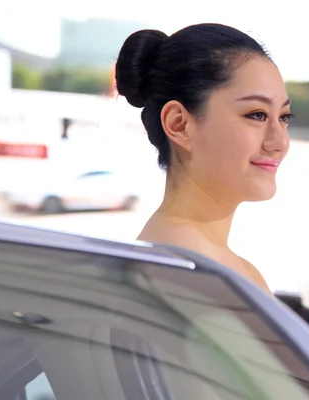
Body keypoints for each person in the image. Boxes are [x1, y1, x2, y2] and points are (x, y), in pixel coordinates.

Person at [115, 24, 292, 293]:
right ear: (179, 124)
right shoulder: (188, 270)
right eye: (257, 115)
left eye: (284, 117)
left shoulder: (224, 267)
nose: (280, 142)